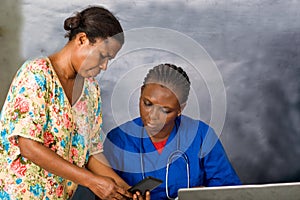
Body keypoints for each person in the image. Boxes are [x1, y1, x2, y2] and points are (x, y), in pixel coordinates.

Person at [0, 5, 138, 200]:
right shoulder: (37, 75)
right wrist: (91, 181)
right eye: (102, 56)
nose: (105, 66)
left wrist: (125, 190)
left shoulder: (91, 91)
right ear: (82, 39)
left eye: (110, 60)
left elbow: (92, 153)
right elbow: (28, 146)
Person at [103, 63, 242, 199]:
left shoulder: (201, 135)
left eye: (165, 110)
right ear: (140, 94)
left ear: (180, 109)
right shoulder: (118, 140)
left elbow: (227, 190)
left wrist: (204, 195)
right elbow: (104, 193)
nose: (153, 115)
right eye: (147, 104)